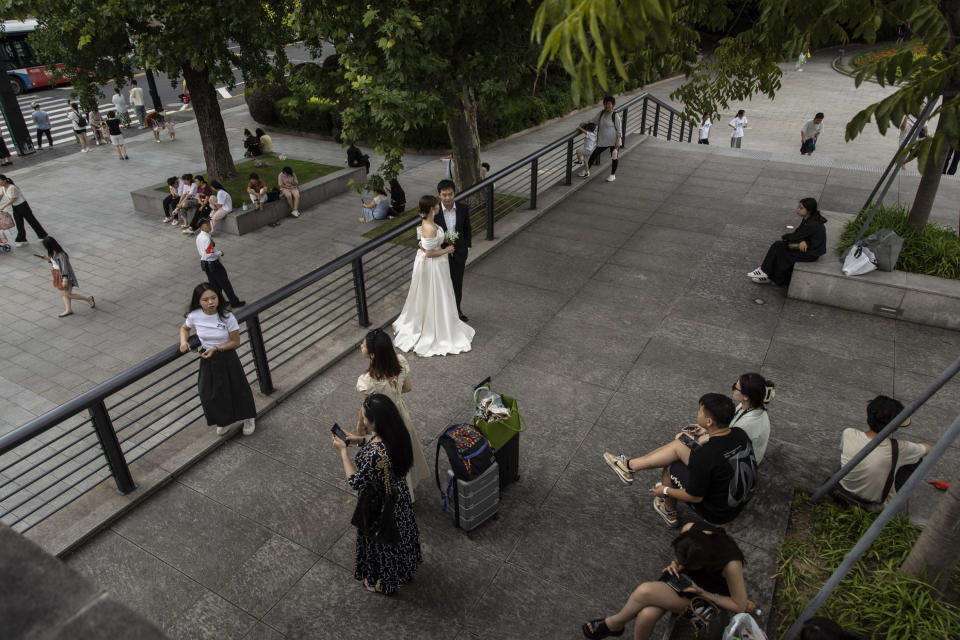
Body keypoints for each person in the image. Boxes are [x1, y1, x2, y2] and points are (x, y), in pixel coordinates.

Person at [602, 393, 756, 527]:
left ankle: (668, 511)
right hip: (735, 495)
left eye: (700, 411)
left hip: (718, 512)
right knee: (680, 443)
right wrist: (701, 437)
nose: (698, 414)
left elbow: (695, 496)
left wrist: (665, 490)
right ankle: (630, 466)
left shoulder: (705, 456)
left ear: (709, 421)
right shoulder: (739, 433)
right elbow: (717, 454)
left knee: (672, 465)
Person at [581, 521, 748, 639]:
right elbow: (683, 558)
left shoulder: (731, 564)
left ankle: (615, 624)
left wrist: (702, 592)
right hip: (684, 580)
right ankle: (616, 626)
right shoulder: (691, 529)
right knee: (647, 614)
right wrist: (676, 565)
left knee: (645, 592)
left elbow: (739, 605)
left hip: (706, 597)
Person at [332, 393, 422, 595]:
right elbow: (381, 449)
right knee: (400, 536)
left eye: (365, 417)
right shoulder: (398, 434)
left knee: (382, 543)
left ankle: (382, 581)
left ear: (375, 423)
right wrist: (359, 441)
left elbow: (355, 481)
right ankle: (403, 571)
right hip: (398, 497)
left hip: (379, 506)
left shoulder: (375, 455)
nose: (362, 421)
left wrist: (343, 453)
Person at [393, 195, 475, 357]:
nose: (439, 207)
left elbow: (424, 243)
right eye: (436, 205)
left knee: (438, 293)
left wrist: (430, 243)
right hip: (433, 266)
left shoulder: (429, 223)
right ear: (432, 209)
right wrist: (447, 250)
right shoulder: (429, 227)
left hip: (436, 264)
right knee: (435, 294)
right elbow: (430, 253)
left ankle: (441, 321)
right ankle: (434, 327)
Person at [356, 329, 431, 495]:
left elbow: (365, 409)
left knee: (389, 457)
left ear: (373, 355)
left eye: (364, 345)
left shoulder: (369, 380)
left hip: (384, 422)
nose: (361, 346)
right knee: (403, 449)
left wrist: (360, 426)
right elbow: (408, 387)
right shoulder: (400, 362)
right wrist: (394, 395)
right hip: (401, 415)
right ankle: (409, 489)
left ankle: (396, 495)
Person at [178, 283, 256, 436]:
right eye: (205, 299)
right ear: (198, 301)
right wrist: (183, 342)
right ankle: (223, 420)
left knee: (237, 388)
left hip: (226, 356)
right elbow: (184, 328)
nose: (210, 302)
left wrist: (217, 348)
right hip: (208, 358)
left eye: (213, 298)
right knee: (209, 392)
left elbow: (235, 342)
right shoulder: (194, 315)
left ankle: (248, 417)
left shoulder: (227, 317)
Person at [838, 395, 930, 509]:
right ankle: (890, 499)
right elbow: (928, 449)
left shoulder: (848, 433)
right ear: (895, 427)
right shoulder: (898, 448)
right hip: (871, 505)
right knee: (916, 459)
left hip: (845, 490)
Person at [747, 197, 827, 286]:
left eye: (801, 208)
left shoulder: (812, 223)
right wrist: (802, 240)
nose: (798, 210)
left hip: (810, 252)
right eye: (799, 207)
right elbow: (799, 234)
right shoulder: (808, 218)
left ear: (809, 210)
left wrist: (787, 237)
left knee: (783, 250)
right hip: (806, 246)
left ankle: (766, 273)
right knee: (780, 246)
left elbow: (794, 237)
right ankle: (766, 273)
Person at [434, 179, 472, 321]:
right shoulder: (434, 211)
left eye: (450, 194)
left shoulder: (463, 208)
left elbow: (467, 229)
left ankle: (457, 311)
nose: (448, 198)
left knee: (457, 284)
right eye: (444, 195)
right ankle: (443, 315)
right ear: (439, 195)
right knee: (441, 285)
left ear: (454, 193)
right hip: (440, 255)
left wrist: (467, 246)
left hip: (459, 254)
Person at [195, 216, 245, 308]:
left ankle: (220, 303)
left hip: (205, 264)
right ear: (203, 227)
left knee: (214, 285)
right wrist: (219, 253)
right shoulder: (206, 238)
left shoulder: (199, 237)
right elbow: (209, 253)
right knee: (225, 283)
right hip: (213, 264)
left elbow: (202, 252)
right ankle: (234, 302)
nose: (210, 226)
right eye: (208, 225)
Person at [38, 237, 94, 318]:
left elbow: (64, 267)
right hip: (57, 274)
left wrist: (64, 279)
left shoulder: (61, 255)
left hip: (63, 276)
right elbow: (54, 262)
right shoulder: (53, 252)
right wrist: (46, 258)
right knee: (64, 294)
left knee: (68, 295)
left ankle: (88, 299)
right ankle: (68, 309)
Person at [730, 373, 775, 464]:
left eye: (736, 387)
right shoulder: (752, 405)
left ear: (746, 396)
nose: (733, 388)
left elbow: (728, 448)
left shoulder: (745, 425)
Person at [581, 96, 622, 182]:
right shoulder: (601, 113)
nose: (607, 105)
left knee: (614, 157)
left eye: (609, 104)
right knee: (594, 154)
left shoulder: (615, 115)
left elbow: (619, 130)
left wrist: (618, 141)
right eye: (605, 103)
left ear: (613, 105)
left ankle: (612, 175)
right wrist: (585, 124)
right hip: (603, 140)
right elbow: (594, 121)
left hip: (613, 141)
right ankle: (586, 170)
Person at [0, 174, 47, 247]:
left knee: (32, 221)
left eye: (0, 181)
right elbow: (1, 195)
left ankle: (43, 236)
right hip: (15, 207)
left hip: (23, 206)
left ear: (4, 180)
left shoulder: (12, 188)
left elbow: (12, 200)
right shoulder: (2, 188)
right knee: (19, 223)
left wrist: (3, 206)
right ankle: (22, 239)